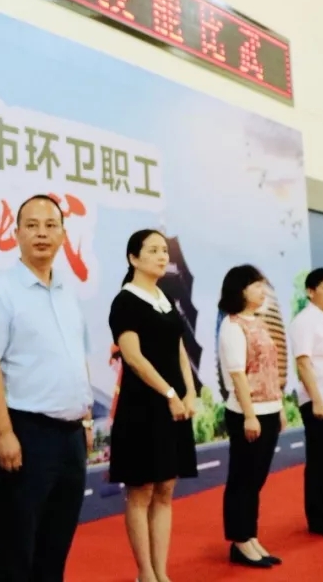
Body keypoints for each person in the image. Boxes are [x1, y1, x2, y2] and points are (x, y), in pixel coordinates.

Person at [0, 194, 94, 582]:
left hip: (71, 436)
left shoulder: (68, 292)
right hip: (26, 433)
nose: (42, 233)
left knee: (56, 544)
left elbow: (77, 357)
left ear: (63, 235)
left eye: (50, 225)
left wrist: (86, 419)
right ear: (16, 234)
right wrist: (3, 433)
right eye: (32, 225)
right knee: (17, 544)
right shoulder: (2, 291)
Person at [107, 230, 198, 582]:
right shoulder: (125, 301)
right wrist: (169, 394)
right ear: (133, 258)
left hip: (173, 405)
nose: (162, 256)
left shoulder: (165, 297)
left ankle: (162, 572)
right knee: (141, 491)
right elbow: (133, 357)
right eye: (154, 250)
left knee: (165, 489)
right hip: (142, 407)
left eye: (165, 250)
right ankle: (145, 574)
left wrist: (188, 392)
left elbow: (178, 349)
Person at [217, 264, 284, 568]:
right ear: (240, 290)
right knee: (242, 478)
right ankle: (239, 540)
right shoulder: (232, 326)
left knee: (256, 478)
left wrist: (278, 407)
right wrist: (249, 415)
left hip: (269, 409)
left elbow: (270, 369)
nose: (262, 290)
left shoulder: (258, 322)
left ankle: (250, 535)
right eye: (256, 285)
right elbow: (238, 375)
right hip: (247, 411)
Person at [290, 267, 323, 538]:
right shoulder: (305, 321)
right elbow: (303, 362)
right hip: (321, 401)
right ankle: (320, 519)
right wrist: (317, 400)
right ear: (311, 292)